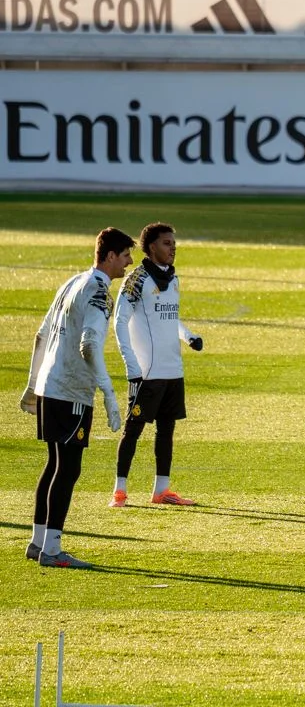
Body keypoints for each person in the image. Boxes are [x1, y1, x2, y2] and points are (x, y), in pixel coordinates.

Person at [20, 227, 135, 568]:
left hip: (49, 386)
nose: (129, 262)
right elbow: (88, 345)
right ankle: (52, 550)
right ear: (110, 256)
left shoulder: (72, 282)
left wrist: (31, 386)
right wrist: (109, 394)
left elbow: (42, 334)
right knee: (68, 469)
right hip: (71, 391)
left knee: (53, 464)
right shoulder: (99, 291)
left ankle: (37, 541)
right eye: (126, 255)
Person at [109, 223, 203, 508]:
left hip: (172, 368)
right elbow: (119, 321)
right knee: (133, 430)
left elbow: (169, 316)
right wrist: (131, 364)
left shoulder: (172, 278)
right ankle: (119, 491)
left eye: (174, 242)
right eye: (166, 243)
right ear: (151, 247)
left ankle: (161, 490)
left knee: (166, 430)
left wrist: (188, 336)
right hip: (146, 372)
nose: (173, 247)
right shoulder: (136, 279)